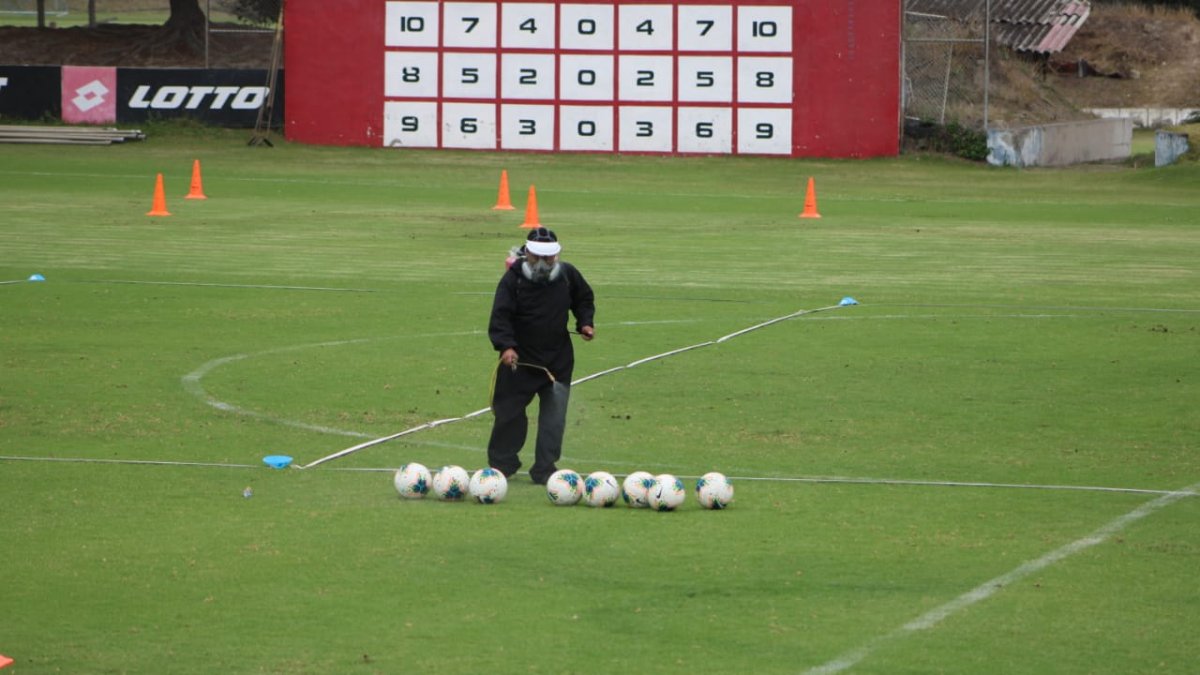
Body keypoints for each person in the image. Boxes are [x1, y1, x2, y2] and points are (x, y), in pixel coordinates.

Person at [487, 227, 595, 484]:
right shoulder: (513, 279)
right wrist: (506, 346)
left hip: (557, 361)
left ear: (556, 256)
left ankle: (545, 468)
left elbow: (584, 299)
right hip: (519, 362)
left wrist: (585, 323)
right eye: (538, 257)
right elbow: (500, 315)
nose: (544, 263)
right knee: (509, 414)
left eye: (549, 258)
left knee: (553, 420)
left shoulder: (568, 275)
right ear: (528, 254)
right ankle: (502, 465)